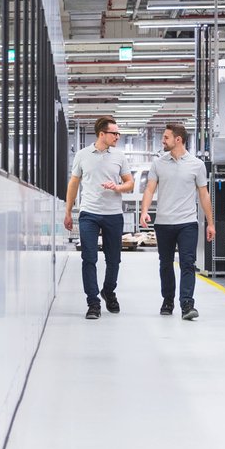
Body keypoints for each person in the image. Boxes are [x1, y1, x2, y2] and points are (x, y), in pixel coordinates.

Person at [139, 123, 215, 320]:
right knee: (165, 264)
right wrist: (144, 211)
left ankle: (187, 304)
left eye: (166, 137)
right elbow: (149, 189)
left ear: (178, 139)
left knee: (188, 263)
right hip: (163, 222)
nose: (163, 141)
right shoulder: (158, 164)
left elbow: (204, 195)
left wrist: (210, 223)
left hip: (187, 223)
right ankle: (168, 300)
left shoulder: (197, 165)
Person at [64, 118, 134, 320]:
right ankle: (93, 302)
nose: (117, 136)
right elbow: (73, 184)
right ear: (102, 134)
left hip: (113, 215)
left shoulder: (119, 157)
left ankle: (108, 292)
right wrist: (68, 212)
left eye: (118, 133)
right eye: (114, 133)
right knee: (89, 258)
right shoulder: (83, 155)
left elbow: (129, 183)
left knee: (114, 260)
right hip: (89, 214)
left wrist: (117, 187)